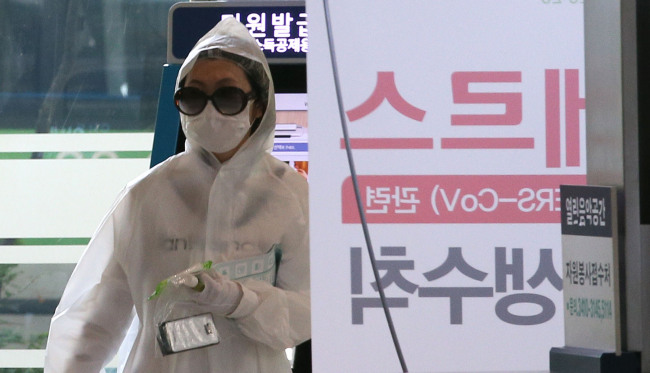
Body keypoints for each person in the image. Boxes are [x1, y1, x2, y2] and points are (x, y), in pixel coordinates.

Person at [44, 18, 310, 373]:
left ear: (258, 105)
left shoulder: (289, 195)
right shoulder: (145, 196)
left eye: (227, 96)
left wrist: (239, 301)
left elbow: (308, 311)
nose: (210, 111)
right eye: (194, 96)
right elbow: (93, 321)